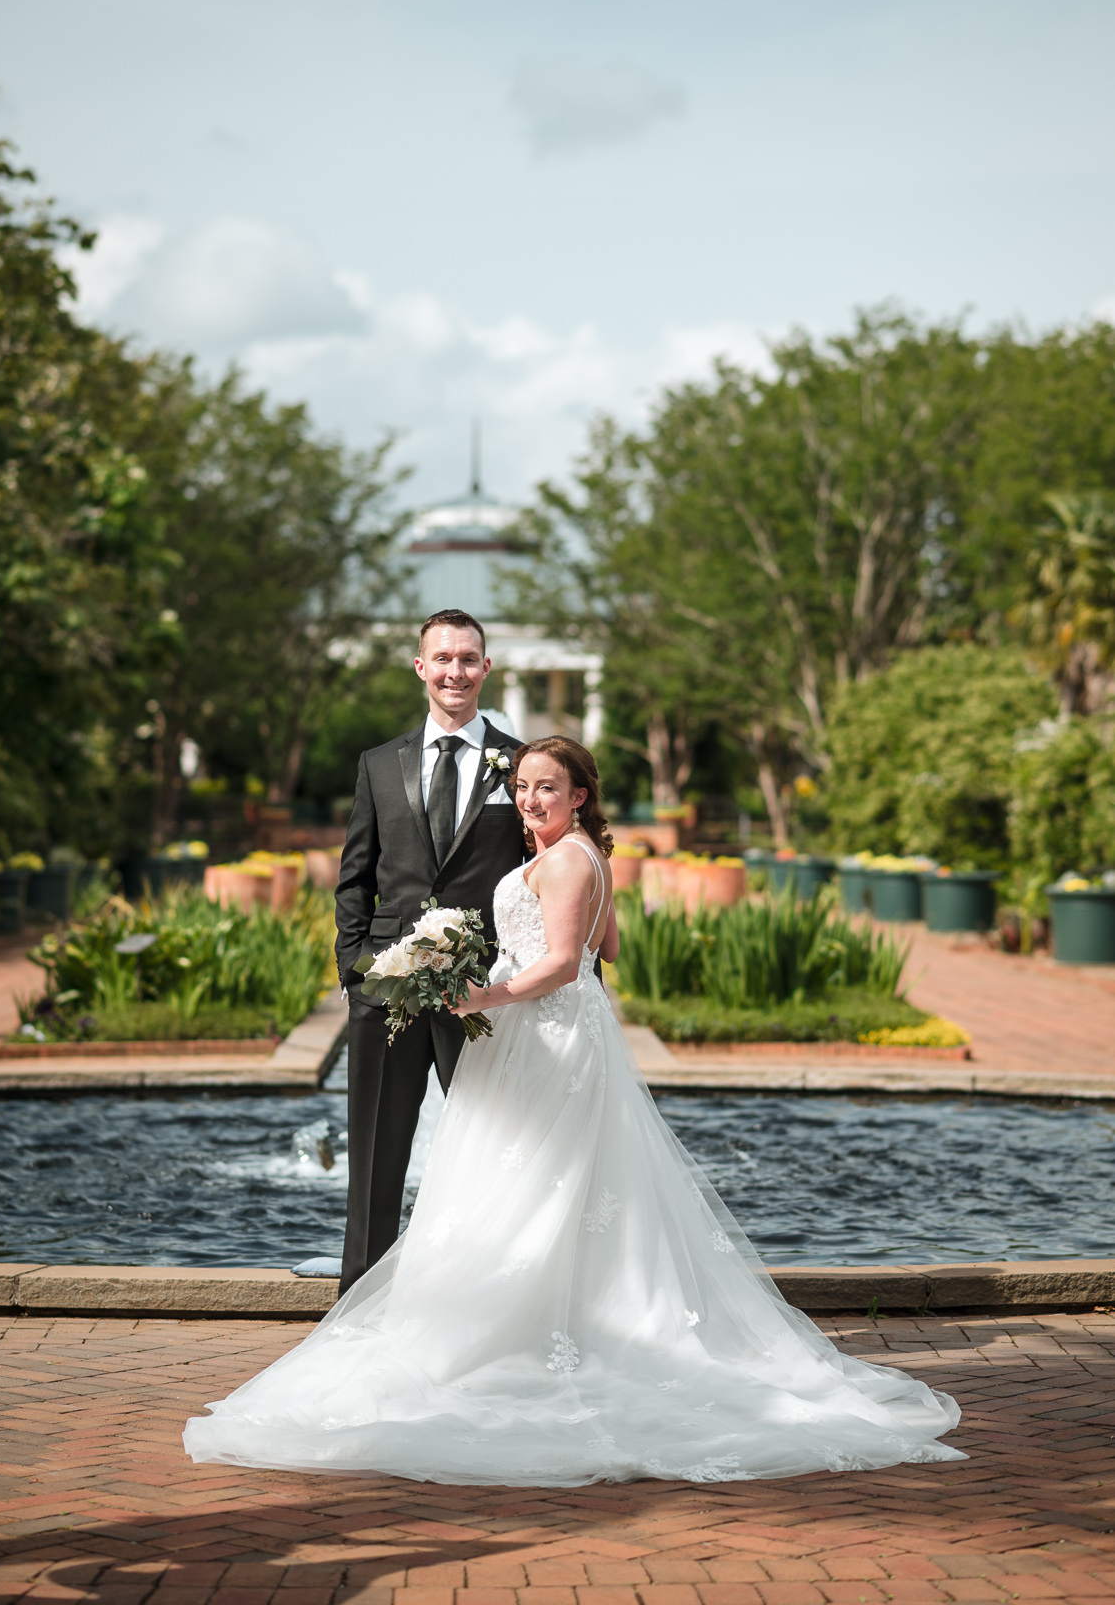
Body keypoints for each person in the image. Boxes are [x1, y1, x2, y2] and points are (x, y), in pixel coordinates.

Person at [185, 736, 963, 1485]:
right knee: (559, 1186)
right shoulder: (584, 856)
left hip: (546, 1038)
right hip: (566, 1034)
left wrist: (485, 988)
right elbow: (608, 949)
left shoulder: (561, 860)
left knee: (529, 1184)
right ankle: (562, 1320)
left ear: (579, 795)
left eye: (546, 788)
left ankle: (513, 1333)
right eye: (521, 788)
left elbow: (561, 964)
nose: (529, 800)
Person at [331, 607, 525, 1291]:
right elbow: (355, 874)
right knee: (378, 1148)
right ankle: (358, 1296)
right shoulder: (379, 765)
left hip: (486, 987)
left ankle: (495, 1293)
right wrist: (356, 970)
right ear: (421, 668)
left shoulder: (520, 764)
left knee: (499, 1146)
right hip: (387, 985)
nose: (455, 671)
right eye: (442, 658)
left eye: (467, 659)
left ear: (486, 668)